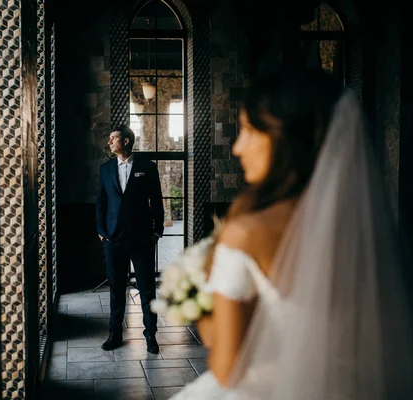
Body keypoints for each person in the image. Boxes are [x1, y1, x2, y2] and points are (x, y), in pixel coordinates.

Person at [170, 67, 413, 399]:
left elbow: (229, 370)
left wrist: (204, 311)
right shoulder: (366, 234)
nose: (238, 148)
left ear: (285, 139)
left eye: (249, 131)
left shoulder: (245, 232)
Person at [96, 124, 164, 354]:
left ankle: (151, 337)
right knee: (116, 290)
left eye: (113, 138)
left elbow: (156, 200)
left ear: (126, 141)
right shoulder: (105, 169)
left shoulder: (147, 167)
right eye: (110, 139)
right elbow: (101, 203)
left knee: (147, 290)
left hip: (141, 239)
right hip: (113, 240)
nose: (109, 142)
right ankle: (114, 335)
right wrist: (101, 230)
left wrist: (157, 231)